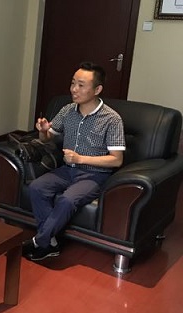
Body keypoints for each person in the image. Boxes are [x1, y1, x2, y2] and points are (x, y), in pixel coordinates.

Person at [24, 62, 125, 261]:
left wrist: (80, 158)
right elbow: (47, 138)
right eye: (72, 83)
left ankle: (39, 241)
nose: (74, 89)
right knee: (37, 187)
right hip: (67, 170)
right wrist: (43, 131)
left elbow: (116, 160)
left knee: (67, 200)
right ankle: (51, 243)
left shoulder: (112, 119)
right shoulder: (68, 110)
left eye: (81, 85)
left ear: (97, 89)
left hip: (94, 175)